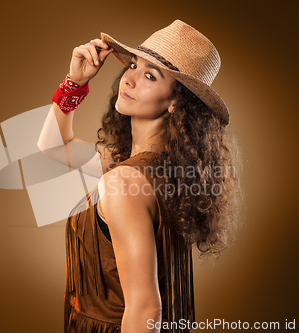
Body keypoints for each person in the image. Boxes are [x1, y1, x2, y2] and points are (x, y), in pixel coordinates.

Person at [38, 19, 242, 333]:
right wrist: (74, 82)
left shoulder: (124, 181)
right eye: (133, 65)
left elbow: (146, 308)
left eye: (149, 75)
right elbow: (53, 145)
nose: (129, 79)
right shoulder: (156, 168)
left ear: (176, 101)